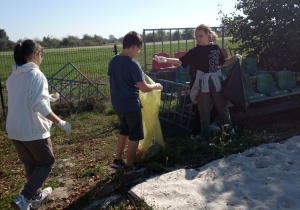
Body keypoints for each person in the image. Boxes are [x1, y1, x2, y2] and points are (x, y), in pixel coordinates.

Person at [6, 39, 72, 210]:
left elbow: (24, 98)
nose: (41, 58)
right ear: (35, 54)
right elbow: (38, 105)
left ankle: (36, 196)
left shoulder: (13, 76)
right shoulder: (36, 74)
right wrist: (61, 122)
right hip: (32, 130)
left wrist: (48, 97)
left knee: (31, 164)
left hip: (14, 130)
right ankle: (24, 198)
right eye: (40, 55)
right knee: (46, 162)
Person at [155, 24, 241, 143]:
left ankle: (230, 132)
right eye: (196, 36)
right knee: (203, 111)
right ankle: (204, 138)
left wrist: (234, 58)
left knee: (222, 107)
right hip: (202, 83)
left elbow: (223, 63)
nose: (198, 39)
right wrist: (166, 60)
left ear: (208, 35)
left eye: (201, 36)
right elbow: (181, 61)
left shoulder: (215, 47)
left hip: (216, 81)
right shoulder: (194, 51)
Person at [108, 31, 163, 173]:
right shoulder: (133, 64)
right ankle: (129, 166)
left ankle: (117, 159)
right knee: (135, 135)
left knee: (124, 130)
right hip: (131, 106)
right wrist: (156, 85)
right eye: (138, 49)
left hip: (117, 104)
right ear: (133, 46)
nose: (138, 52)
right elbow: (144, 88)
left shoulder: (113, 60)